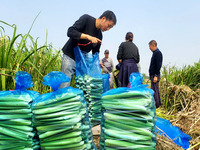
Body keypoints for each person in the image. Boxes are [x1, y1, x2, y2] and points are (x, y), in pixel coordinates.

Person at [60, 10, 117, 88]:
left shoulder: (99, 35)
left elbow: (95, 52)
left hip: (82, 62)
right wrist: (88, 37)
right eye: (108, 25)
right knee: (64, 85)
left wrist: (98, 63)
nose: (108, 29)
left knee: (83, 86)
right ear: (103, 19)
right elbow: (70, 31)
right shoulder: (86, 19)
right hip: (70, 57)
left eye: (110, 28)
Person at [148, 40, 163, 108]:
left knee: (155, 90)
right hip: (153, 75)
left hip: (155, 75)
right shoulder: (154, 53)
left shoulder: (158, 53)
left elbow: (158, 65)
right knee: (153, 89)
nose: (149, 48)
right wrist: (150, 75)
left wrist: (156, 75)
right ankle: (157, 103)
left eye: (150, 46)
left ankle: (156, 105)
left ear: (153, 45)